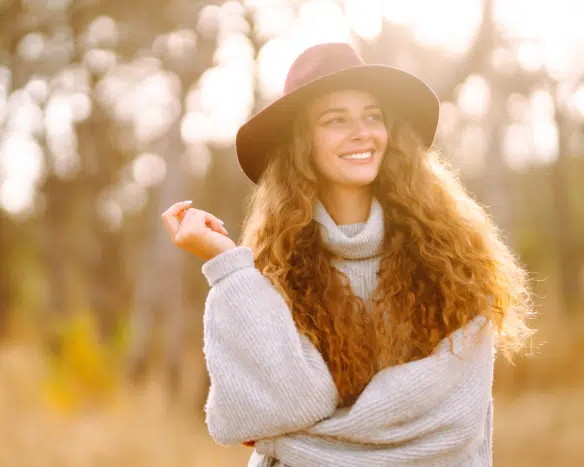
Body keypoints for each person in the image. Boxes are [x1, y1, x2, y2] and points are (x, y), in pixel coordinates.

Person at [161, 42, 534, 467]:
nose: (361, 132)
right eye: (335, 119)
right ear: (301, 143)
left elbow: (448, 427)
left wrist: (287, 444)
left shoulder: (453, 261)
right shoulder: (272, 271)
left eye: (372, 115)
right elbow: (266, 410)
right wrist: (227, 266)